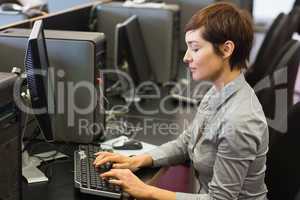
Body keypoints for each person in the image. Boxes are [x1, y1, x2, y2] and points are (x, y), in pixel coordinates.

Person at [93, 2, 269, 200]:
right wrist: (138, 160)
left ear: (226, 49)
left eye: (195, 48)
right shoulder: (218, 91)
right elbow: (187, 142)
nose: (186, 57)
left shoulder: (240, 121)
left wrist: (147, 191)